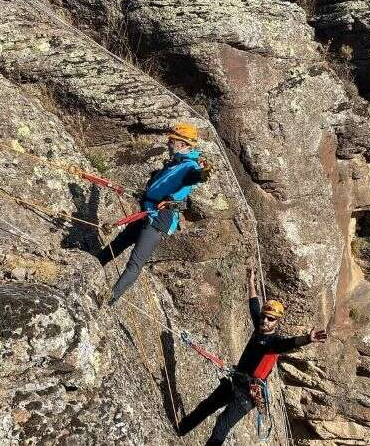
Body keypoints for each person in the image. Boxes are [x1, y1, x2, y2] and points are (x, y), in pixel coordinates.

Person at [177, 263, 328, 445]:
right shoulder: (259, 327)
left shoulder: (273, 342)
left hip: (247, 394)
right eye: (264, 317)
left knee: (221, 427)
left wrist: (307, 339)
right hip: (235, 382)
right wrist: (250, 281)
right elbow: (254, 305)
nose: (265, 320)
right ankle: (179, 430)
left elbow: (288, 343)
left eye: (270, 319)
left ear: (277, 322)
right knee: (206, 407)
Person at [96, 122, 211, 306]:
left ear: (183, 144)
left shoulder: (189, 165)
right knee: (118, 244)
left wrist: (202, 174)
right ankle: (92, 265)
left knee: (135, 262)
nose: (168, 144)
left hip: (159, 218)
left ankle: (109, 299)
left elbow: (194, 176)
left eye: (172, 141)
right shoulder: (175, 163)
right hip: (148, 210)